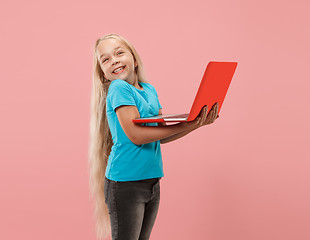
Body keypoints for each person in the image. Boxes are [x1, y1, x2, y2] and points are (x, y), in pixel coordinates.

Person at [88, 33, 219, 240]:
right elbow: (137, 136)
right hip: (126, 184)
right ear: (104, 74)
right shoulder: (118, 88)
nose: (114, 60)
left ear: (135, 59)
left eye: (119, 53)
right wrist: (190, 123)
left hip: (151, 181)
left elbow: (158, 136)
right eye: (105, 59)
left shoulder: (149, 90)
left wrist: (196, 124)